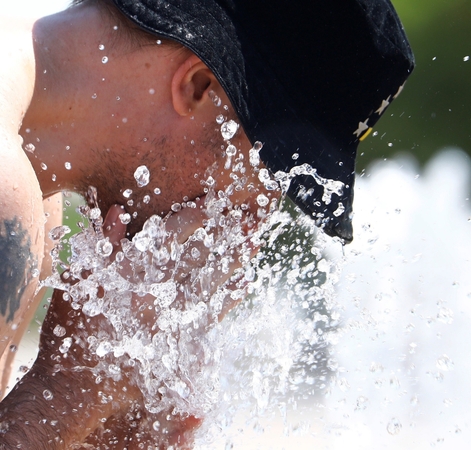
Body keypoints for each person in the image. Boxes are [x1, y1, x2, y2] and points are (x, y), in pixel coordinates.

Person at [0, 0, 414, 447]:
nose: (253, 220)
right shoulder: (9, 195)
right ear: (197, 86)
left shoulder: (40, 200)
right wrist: (73, 385)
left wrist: (120, 429)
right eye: (270, 173)